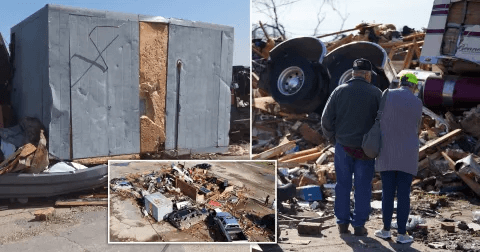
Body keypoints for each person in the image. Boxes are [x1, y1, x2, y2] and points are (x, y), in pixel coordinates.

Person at [321, 58, 382, 236]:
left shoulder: (339, 91)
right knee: (363, 187)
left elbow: (326, 120)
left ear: (354, 73)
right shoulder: (376, 93)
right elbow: (383, 123)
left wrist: (333, 139)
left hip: (343, 147)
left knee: (343, 185)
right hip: (366, 150)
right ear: (367, 75)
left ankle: (342, 223)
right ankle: (358, 225)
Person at [374, 73, 422, 244]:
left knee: (387, 193)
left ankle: (386, 230)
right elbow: (417, 127)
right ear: (414, 86)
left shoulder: (387, 94)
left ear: (401, 83)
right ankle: (402, 234)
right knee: (404, 195)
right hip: (408, 153)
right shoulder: (417, 102)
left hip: (387, 151)